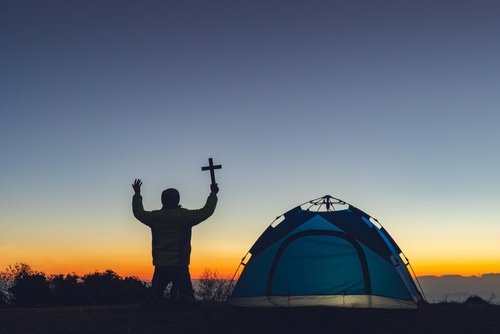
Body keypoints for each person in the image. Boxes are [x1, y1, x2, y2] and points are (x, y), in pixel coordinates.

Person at [132, 179, 219, 309]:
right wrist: (213, 194)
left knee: (156, 292)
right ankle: (183, 301)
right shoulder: (184, 216)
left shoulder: (155, 217)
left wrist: (137, 194)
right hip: (180, 265)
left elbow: (138, 213)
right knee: (187, 295)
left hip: (161, 265)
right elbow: (206, 211)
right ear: (177, 200)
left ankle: (153, 302)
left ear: (163, 200)